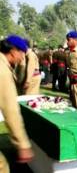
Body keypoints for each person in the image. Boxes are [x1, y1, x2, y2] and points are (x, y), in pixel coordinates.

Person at [0, 35, 34, 173]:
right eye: (22, 54)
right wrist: (22, 144)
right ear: (14, 51)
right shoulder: (2, 71)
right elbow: (11, 111)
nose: (22, 59)